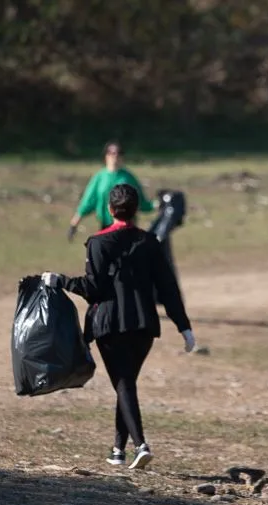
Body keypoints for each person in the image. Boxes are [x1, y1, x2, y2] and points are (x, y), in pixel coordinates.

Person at [41, 183, 196, 469]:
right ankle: (117, 450)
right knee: (127, 384)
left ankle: (140, 445)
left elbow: (93, 289)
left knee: (124, 384)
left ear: (110, 210)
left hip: (110, 325)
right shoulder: (151, 242)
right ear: (136, 210)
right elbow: (168, 286)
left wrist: (60, 280)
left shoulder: (98, 243)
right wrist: (183, 326)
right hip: (144, 326)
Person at [67, 141, 157, 242]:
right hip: (106, 226)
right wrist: (74, 223)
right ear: (106, 155)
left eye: (119, 153)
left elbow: (141, 202)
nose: (116, 156)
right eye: (112, 153)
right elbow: (88, 202)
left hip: (127, 227)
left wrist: (157, 204)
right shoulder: (100, 178)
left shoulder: (128, 177)